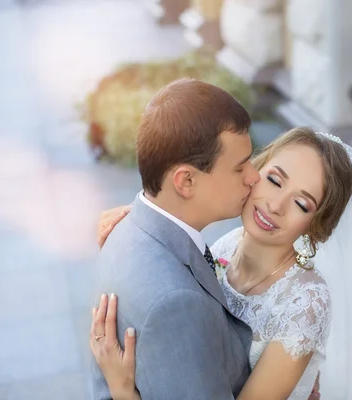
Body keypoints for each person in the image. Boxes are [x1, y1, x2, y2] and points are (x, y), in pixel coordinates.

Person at [91, 126, 352, 399]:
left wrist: (123, 390)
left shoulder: (305, 303)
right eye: (275, 180)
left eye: (302, 204)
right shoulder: (226, 245)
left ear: (317, 224)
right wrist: (139, 228)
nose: (275, 205)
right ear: (253, 170)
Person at [89, 78, 261, 399]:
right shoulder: (177, 305)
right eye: (240, 168)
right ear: (185, 182)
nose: (254, 177)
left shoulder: (125, 227)